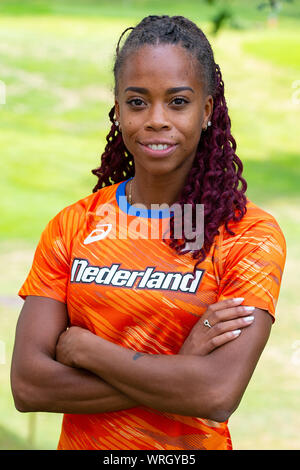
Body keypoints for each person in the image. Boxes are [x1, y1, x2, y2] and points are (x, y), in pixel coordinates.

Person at [11, 15, 286, 450]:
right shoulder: (73, 226)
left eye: (178, 102)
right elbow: (29, 386)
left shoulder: (248, 234)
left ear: (208, 110)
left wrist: (89, 351)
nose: (156, 119)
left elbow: (215, 394)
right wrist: (181, 367)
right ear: (118, 109)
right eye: (138, 102)